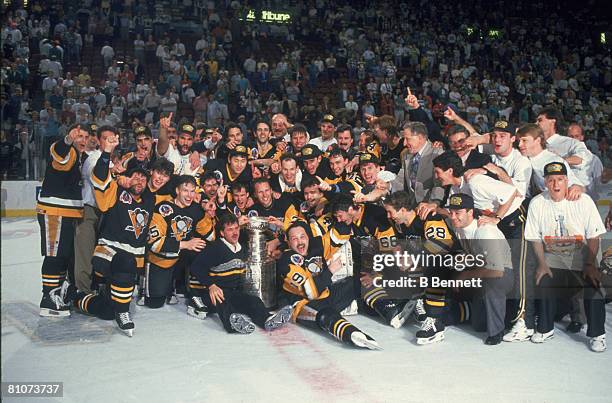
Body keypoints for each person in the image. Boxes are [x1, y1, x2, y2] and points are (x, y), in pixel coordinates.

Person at [524, 162, 607, 352]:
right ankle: (545, 328)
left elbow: (594, 235)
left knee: (593, 285)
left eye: (560, 179)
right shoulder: (538, 203)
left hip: (582, 256)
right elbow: (534, 238)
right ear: (545, 182)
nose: (556, 184)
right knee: (543, 279)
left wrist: (589, 264)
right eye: (551, 180)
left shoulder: (582, 200)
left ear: (567, 181)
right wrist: (542, 264)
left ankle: (597, 334)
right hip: (553, 257)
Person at [277, 221, 380, 349]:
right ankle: (352, 334)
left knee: (360, 280)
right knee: (325, 314)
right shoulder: (285, 261)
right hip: (305, 306)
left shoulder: (317, 245)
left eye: (302, 236)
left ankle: (389, 309)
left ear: (308, 237)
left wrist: (348, 218)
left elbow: (338, 235)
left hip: (328, 296)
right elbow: (310, 291)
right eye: (294, 239)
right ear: (289, 242)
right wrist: (330, 270)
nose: (300, 242)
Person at [189, 213, 293, 334]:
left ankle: (266, 319)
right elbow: (196, 267)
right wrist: (211, 286)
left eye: (236, 228)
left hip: (231, 293)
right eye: (230, 230)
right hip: (211, 293)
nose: (235, 233)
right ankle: (232, 324)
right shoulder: (216, 248)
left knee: (253, 301)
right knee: (222, 301)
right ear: (222, 233)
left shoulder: (241, 248)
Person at [36, 124, 90, 317]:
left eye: (86, 137)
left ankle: (56, 294)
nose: (82, 140)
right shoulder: (69, 152)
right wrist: (68, 140)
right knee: (55, 256)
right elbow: (59, 154)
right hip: (55, 212)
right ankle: (48, 299)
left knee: (64, 255)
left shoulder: (82, 157)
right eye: (79, 136)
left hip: (67, 213)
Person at [448, 193, 514, 345]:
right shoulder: (459, 226)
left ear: (470, 212)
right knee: (479, 325)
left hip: (503, 275)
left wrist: (465, 275)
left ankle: (497, 331)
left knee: (492, 283)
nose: (453, 217)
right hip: (481, 271)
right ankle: (469, 309)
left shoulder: (485, 231)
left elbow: (497, 271)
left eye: (457, 213)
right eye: (451, 212)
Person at [146, 175, 210, 310]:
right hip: (161, 259)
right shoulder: (163, 208)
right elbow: (154, 243)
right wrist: (186, 244)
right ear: (177, 191)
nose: (189, 195)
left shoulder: (196, 209)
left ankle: (194, 293)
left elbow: (211, 236)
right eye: (185, 190)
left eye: (193, 191)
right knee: (154, 304)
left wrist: (210, 211)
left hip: (180, 258)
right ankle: (144, 284)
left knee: (203, 249)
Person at [391, 121, 445, 219]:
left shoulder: (437, 154)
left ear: (420, 138)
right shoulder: (405, 154)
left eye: (407, 139)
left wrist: (433, 203)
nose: (404, 143)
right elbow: (400, 180)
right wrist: (388, 188)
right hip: (412, 210)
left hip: (430, 211)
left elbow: (439, 184)